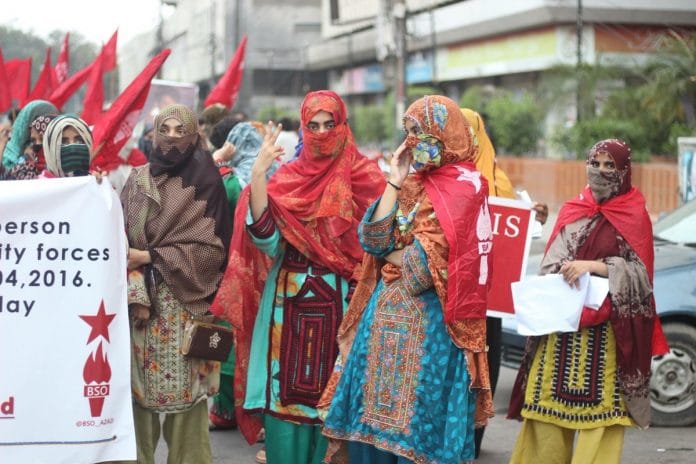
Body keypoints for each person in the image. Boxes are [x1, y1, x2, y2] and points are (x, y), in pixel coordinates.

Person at [211, 90, 385, 464]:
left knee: (336, 406)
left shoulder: (367, 179)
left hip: (344, 309)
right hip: (287, 310)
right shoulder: (288, 178)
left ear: (343, 126)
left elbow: (380, 244)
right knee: (284, 404)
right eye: (313, 126)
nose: (322, 134)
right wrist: (258, 175)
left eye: (329, 125)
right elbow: (267, 239)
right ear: (303, 129)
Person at [321, 95, 494, 464]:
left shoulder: (466, 187)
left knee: (419, 431)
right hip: (380, 330)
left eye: (421, 131)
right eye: (408, 131)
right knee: (372, 432)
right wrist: (394, 181)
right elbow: (372, 239)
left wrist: (393, 253)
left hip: (431, 335)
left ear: (445, 133)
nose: (413, 140)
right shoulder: (410, 184)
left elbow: (422, 269)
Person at [508, 139, 669, 464]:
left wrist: (595, 267)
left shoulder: (634, 213)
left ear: (624, 171)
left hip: (606, 338)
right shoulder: (574, 208)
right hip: (560, 332)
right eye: (595, 163)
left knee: (602, 424)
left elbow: (641, 277)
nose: (601, 171)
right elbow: (551, 261)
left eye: (610, 165)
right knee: (544, 417)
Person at [118, 104, 232, 464]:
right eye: (163, 128)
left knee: (189, 411)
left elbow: (212, 250)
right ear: (152, 132)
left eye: (178, 129)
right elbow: (119, 242)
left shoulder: (207, 180)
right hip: (140, 309)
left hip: (187, 307)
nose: (170, 136)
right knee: (136, 403)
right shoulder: (137, 180)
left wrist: (150, 256)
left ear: (193, 133)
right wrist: (136, 291)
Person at [460, 108, 548, 458]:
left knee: (486, 369)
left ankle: (475, 440)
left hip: (489, 301)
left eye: (469, 130)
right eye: (456, 130)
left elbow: (516, 231)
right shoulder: (438, 176)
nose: (463, 137)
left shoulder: (499, 181)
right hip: (451, 298)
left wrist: (534, 217)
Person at [0, 100, 58, 178]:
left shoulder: (65, 163)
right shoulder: (24, 167)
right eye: (34, 140)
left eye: (43, 139)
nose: (38, 144)